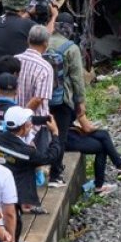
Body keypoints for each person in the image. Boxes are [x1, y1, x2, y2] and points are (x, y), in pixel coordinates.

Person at [0, 107, 59, 233]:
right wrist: (55, 133)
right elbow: (51, 157)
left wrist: (41, 119)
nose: (30, 124)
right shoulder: (26, 152)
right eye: (28, 123)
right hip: (16, 191)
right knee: (14, 220)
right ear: (23, 127)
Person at [45, 17, 84, 187]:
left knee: (40, 135)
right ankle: (55, 174)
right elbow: (77, 78)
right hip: (63, 99)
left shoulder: (42, 42)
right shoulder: (71, 48)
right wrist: (80, 101)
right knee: (60, 136)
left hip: (42, 98)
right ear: (68, 29)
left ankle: (40, 170)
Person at [65, 114, 121, 195]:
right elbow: (86, 127)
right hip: (66, 138)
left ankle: (120, 167)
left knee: (104, 135)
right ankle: (118, 169)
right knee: (102, 145)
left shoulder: (69, 101)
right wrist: (94, 127)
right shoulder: (75, 101)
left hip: (71, 132)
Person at [0, 0, 35, 79]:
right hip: (16, 84)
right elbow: (45, 36)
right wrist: (54, 16)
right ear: (24, 8)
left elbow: (12, 23)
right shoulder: (27, 25)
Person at [14, 25, 53, 120]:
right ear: (46, 43)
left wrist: (17, 118)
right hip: (34, 122)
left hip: (13, 119)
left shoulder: (15, 59)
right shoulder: (45, 67)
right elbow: (38, 99)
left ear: (28, 40)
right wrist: (23, 117)